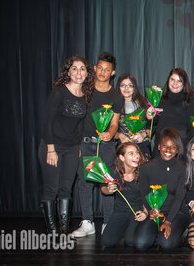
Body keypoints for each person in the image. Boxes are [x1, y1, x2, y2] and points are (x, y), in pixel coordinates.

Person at [39, 55, 94, 234]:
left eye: (82, 69)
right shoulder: (59, 92)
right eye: (74, 68)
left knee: (65, 189)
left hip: (72, 148)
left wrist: (78, 147)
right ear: (68, 72)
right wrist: (51, 149)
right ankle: (52, 230)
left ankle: (63, 229)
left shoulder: (85, 95)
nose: (79, 72)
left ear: (87, 73)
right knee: (51, 188)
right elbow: (48, 122)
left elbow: (80, 125)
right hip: (52, 146)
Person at [73, 51, 123, 238]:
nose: (102, 72)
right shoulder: (85, 90)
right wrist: (76, 145)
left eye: (107, 69)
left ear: (112, 72)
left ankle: (108, 223)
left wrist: (110, 134)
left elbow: (115, 123)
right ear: (94, 69)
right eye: (100, 68)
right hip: (85, 143)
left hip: (106, 146)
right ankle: (87, 222)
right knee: (84, 183)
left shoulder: (116, 95)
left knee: (107, 182)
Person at [134, 128, 189, 251]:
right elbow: (144, 193)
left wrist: (168, 221)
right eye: (165, 146)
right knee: (140, 243)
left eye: (173, 147)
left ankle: (181, 234)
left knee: (167, 244)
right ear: (159, 147)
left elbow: (179, 198)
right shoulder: (146, 168)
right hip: (157, 212)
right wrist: (150, 210)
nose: (168, 150)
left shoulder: (183, 168)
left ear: (177, 150)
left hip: (177, 212)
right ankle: (158, 233)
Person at [101, 143, 148, 247]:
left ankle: (130, 231)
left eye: (137, 153)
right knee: (107, 241)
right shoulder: (113, 171)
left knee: (130, 241)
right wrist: (109, 190)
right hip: (120, 211)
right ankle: (125, 229)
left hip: (138, 211)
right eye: (131, 153)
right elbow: (103, 188)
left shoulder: (144, 171)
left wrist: (145, 212)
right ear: (122, 157)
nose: (136, 156)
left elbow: (149, 195)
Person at [147, 68, 194, 150]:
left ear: (184, 83)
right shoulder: (158, 97)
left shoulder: (190, 100)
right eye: (172, 79)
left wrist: (192, 147)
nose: (175, 83)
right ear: (168, 80)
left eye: (179, 81)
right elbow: (152, 125)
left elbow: (193, 128)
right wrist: (149, 117)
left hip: (181, 147)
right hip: (161, 146)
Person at [115, 74, 151, 160]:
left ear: (134, 88)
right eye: (123, 85)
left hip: (142, 147)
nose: (126, 88)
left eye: (130, 85)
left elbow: (153, 128)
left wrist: (143, 134)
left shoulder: (144, 104)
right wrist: (120, 136)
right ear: (118, 87)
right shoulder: (114, 105)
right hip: (124, 149)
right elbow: (110, 131)